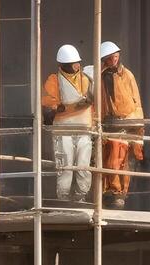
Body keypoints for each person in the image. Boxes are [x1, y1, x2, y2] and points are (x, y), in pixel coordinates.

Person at [41, 44, 95, 202]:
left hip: (84, 128)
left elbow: (94, 99)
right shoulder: (54, 80)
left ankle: (81, 196)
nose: (77, 66)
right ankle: (63, 198)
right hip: (63, 130)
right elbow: (47, 101)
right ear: (63, 65)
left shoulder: (86, 78)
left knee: (83, 165)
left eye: (78, 63)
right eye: (74, 63)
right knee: (65, 165)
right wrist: (60, 106)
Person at [97, 41, 143, 209]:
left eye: (116, 57)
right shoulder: (100, 76)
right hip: (106, 125)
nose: (114, 60)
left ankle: (119, 193)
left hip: (124, 124)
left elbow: (136, 101)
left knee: (120, 159)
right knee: (107, 159)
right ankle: (107, 191)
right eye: (111, 58)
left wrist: (136, 125)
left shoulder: (127, 75)